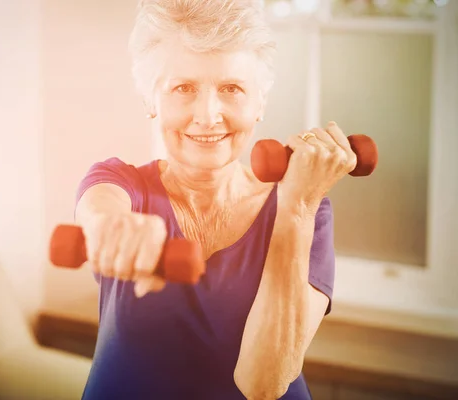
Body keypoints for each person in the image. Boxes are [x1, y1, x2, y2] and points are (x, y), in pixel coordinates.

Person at [74, 0, 357, 398]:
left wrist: (296, 206)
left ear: (260, 102)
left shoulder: (309, 207)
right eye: (183, 88)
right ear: (149, 100)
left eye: (231, 88)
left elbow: (263, 383)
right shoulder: (119, 184)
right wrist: (113, 229)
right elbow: (100, 212)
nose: (208, 115)